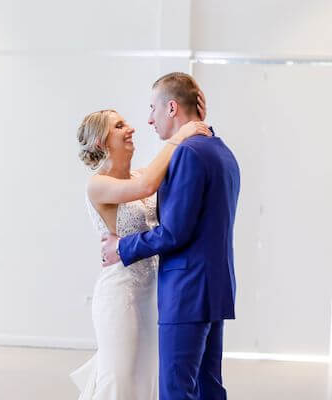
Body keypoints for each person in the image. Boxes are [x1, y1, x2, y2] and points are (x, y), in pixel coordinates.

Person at [101, 72, 241, 400]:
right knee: (208, 388)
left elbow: (175, 232)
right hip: (214, 288)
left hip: (187, 290)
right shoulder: (220, 150)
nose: (149, 119)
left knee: (177, 391)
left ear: (172, 108)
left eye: (153, 108)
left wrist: (122, 247)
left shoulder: (189, 153)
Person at [71, 90, 210, 399]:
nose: (131, 128)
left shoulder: (142, 173)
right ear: (100, 142)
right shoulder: (98, 184)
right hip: (119, 295)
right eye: (119, 126)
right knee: (119, 378)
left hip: (150, 296)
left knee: (145, 379)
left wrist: (194, 120)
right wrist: (181, 134)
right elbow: (145, 187)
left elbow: (165, 171)